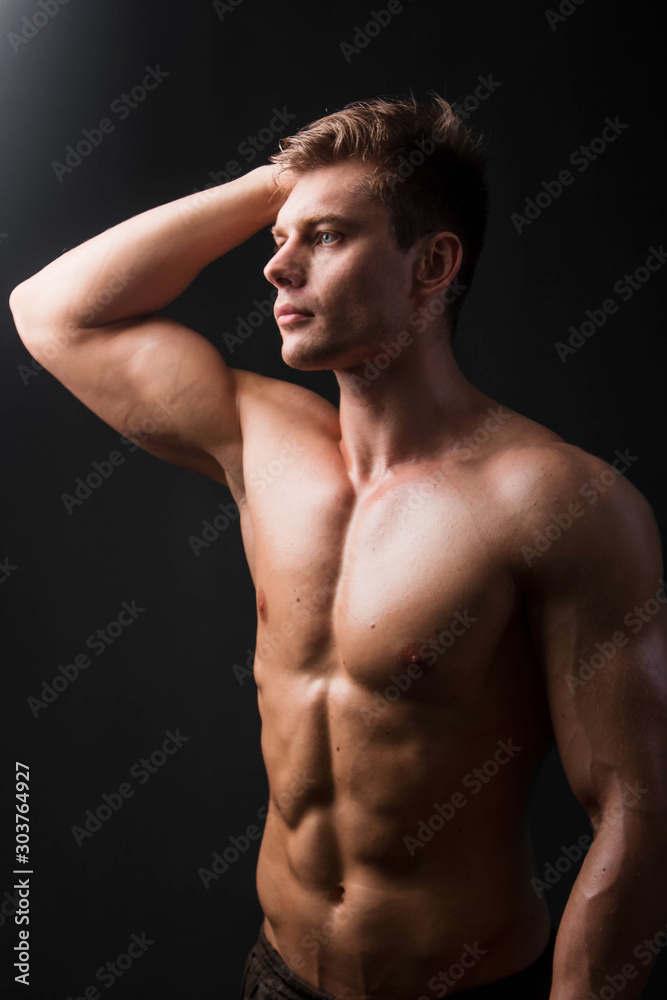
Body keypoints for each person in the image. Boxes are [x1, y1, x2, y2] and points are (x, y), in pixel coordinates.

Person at [9, 94, 667, 1000]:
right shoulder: (260, 441)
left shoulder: (559, 501)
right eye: (277, 239)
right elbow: (52, 312)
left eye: (322, 237)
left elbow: (638, 812)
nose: (275, 267)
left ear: (432, 264)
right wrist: (274, 186)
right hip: (276, 975)